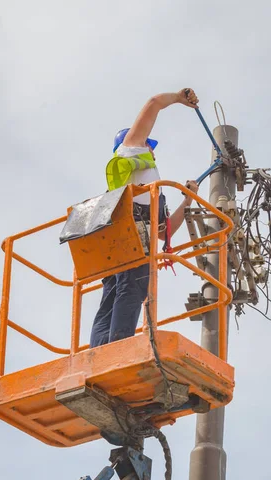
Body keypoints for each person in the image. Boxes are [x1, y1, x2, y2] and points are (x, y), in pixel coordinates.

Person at [90, 89, 200, 348]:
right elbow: (153, 104)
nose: (152, 150)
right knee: (131, 288)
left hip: (122, 237)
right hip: (130, 235)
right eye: (150, 145)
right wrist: (178, 97)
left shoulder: (145, 182)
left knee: (114, 292)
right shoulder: (130, 152)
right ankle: (117, 347)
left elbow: (165, 231)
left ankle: (100, 349)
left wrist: (188, 200)